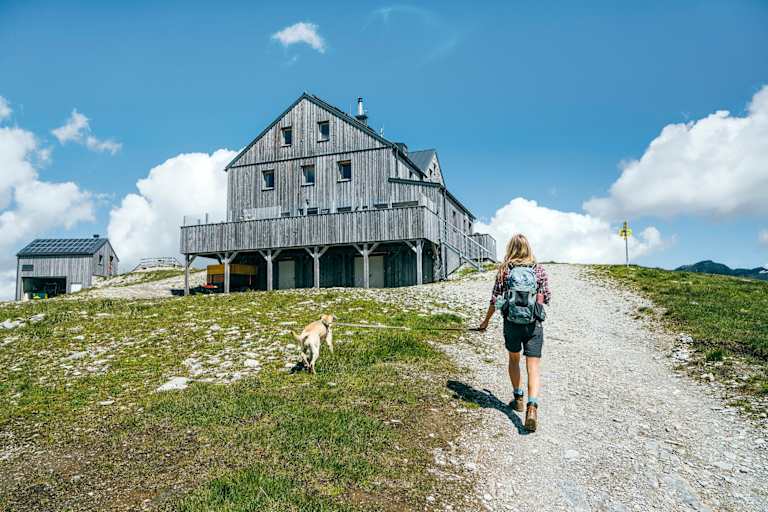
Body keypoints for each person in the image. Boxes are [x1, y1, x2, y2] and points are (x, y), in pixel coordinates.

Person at [478, 234, 551, 432]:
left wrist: (485, 321)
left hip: (511, 324)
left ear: (510, 248)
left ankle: (518, 398)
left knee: (513, 359)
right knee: (533, 367)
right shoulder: (538, 270)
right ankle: (532, 407)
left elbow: (495, 300)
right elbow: (547, 297)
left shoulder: (504, 270)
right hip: (533, 325)